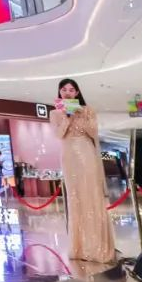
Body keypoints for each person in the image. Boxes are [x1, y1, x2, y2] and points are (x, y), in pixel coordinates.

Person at [52, 78, 115, 264]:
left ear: (77, 93)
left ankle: (95, 246)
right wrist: (67, 117)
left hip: (86, 153)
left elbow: (93, 133)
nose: (67, 93)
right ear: (60, 92)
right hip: (68, 156)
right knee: (75, 198)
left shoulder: (88, 110)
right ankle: (78, 247)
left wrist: (79, 114)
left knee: (90, 195)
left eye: (71, 90)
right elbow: (59, 135)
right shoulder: (55, 113)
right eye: (64, 90)